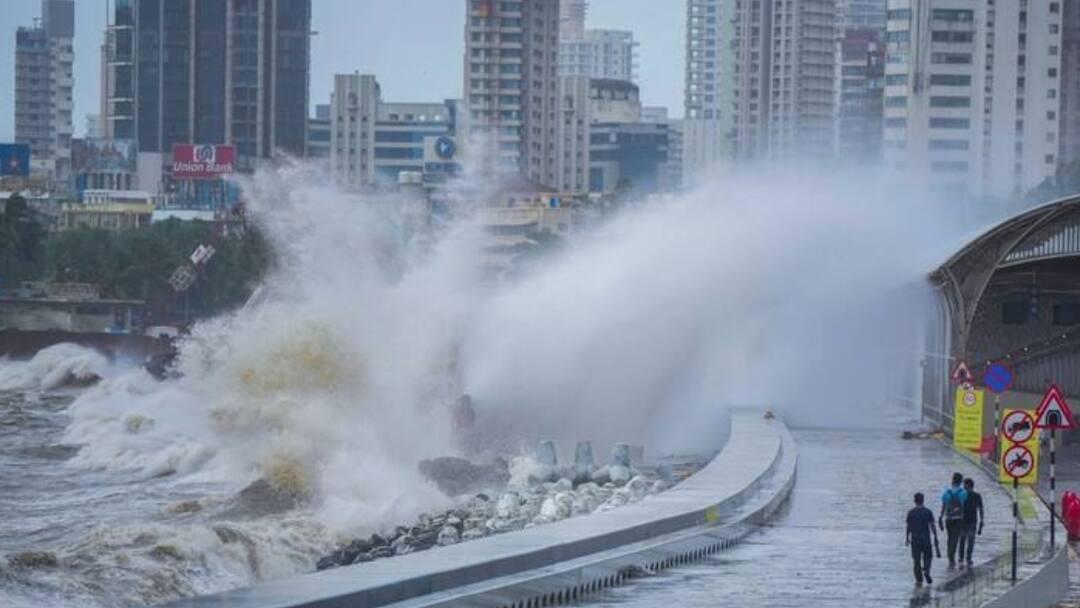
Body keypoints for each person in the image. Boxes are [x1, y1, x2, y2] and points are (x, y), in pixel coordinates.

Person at [907, 492, 938, 586]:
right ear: (923, 500)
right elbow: (932, 525)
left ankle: (919, 579)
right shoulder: (928, 512)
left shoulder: (911, 512)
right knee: (928, 557)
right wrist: (935, 536)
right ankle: (926, 570)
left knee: (916, 560)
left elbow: (909, 526)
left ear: (914, 500)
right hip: (926, 539)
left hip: (915, 539)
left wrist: (907, 537)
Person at [939, 471, 968, 568]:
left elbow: (943, 506)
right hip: (958, 518)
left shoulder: (946, 493)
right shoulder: (963, 493)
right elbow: (964, 507)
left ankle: (950, 556)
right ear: (961, 482)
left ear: (952, 480)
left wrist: (940, 517)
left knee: (949, 537)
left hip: (948, 519)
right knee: (955, 538)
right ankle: (951, 556)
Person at [958, 477, 984, 568]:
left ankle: (961, 558)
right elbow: (980, 509)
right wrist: (982, 521)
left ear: (968, 485)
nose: (963, 486)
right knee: (970, 541)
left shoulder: (962, 495)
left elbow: (958, 507)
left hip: (964, 521)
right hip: (973, 521)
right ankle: (968, 558)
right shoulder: (977, 496)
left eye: (964, 484)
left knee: (962, 540)